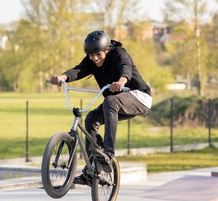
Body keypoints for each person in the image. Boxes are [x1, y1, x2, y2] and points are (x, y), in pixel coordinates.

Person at [50, 30, 152, 184]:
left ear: (106, 50)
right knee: (91, 118)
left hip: (139, 97)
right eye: (91, 55)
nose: (95, 59)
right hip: (116, 103)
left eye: (98, 55)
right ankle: (92, 170)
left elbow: (126, 67)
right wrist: (62, 78)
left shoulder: (119, 53)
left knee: (110, 101)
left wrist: (122, 80)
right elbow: (79, 70)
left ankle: (108, 154)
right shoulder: (92, 60)